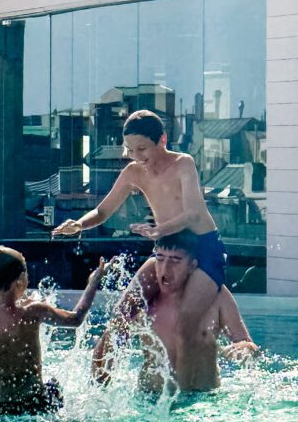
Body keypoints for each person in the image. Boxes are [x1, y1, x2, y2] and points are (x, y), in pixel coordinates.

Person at [53, 108, 231, 327]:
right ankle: (114, 360)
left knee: (185, 320)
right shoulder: (133, 172)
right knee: (123, 313)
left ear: (162, 139)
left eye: (142, 149)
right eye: (129, 149)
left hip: (203, 248)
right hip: (167, 249)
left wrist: (159, 230)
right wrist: (79, 224)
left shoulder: (183, 163)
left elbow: (193, 214)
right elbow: (102, 212)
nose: (136, 156)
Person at [92, 231, 258, 393]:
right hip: (150, 400)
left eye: (175, 260)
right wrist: (99, 392)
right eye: (160, 258)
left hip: (204, 401)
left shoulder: (215, 296)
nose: (165, 268)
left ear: (193, 265)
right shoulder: (145, 300)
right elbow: (111, 335)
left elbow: (246, 343)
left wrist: (243, 349)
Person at [0, 245, 107, 415]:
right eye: (26, 272)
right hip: (35, 404)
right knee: (54, 387)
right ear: (20, 280)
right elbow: (76, 318)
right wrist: (93, 282)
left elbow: (3, 307)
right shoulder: (34, 312)